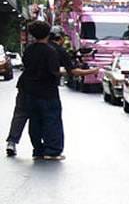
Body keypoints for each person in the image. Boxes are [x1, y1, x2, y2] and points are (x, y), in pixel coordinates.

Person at [6, 20, 92, 160]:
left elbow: (26, 65)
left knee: (34, 120)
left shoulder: (29, 49)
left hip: (27, 88)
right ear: (48, 34)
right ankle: (52, 150)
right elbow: (54, 71)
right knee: (51, 119)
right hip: (46, 91)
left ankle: (37, 150)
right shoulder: (50, 51)